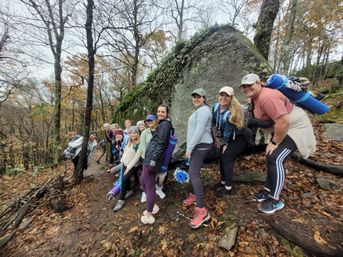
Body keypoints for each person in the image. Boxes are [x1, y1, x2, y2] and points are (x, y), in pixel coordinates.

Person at [241, 73, 316, 214]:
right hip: (283, 127)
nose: (246, 88)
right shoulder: (255, 98)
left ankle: (275, 200)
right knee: (271, 156)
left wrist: (275, 142)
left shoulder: (267, 96)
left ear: (258, 83)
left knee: (276, 158)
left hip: (295, 126)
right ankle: (268, 191)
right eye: (244, 86)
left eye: (250, 85)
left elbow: (284, 121)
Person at [182, 88, 213, 228]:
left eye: (199, 97)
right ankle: (194, 194)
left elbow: (200, 130)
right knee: (194, 171)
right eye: (194, 97)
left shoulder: (204, 110)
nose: (196, 99)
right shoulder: (199, 110)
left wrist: (189, 148)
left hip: (202, 145)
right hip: (198, 145)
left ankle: (202, 210)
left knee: (193, 173)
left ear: (204, 98)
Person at [140, 105, 173, 224]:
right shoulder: (161, 124)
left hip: (152, 160)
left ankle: (149, 214)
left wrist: (153, 161)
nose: (160, 113)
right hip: (148, 158)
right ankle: (152, 205)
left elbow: (161, 144)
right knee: (142, 181)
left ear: (167, 113)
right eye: (158, 111)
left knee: (149, 186)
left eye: (163, 112)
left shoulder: (165, 125)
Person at [211, 86, 246, 196]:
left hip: (239, 138)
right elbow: (213, 123)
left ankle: (228, 187)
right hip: (225, 137)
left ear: (231, 97)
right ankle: (223, 182)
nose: (224, 97)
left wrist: (224, 143)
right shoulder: (215, 107)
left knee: (226, 157)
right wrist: (216, 138)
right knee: (221, 157)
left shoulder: (232, 111)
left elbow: (227, 131)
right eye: (222, 95)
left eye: (227, 95)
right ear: (219, 96)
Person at [112, 126, 141, 211]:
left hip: (133, 165)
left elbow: (136, 158)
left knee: (124, 179)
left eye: (135, 132)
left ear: (138, 134)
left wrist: (128, 168)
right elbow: (125, 152)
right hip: (125, 163)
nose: (133, 134)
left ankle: (121, 200)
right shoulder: (129, 141)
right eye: (131, 133)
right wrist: (122, 161)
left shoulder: (139, 144)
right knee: (126, 179)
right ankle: (129, 190)